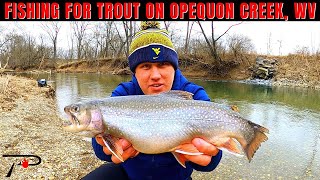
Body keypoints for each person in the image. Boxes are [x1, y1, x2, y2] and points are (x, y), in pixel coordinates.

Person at [83, 21, 222, 180]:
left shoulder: (194, 95)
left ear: (174, 67)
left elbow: (212, 161)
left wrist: (208, 157)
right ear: (135, 71)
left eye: (162, 64)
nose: (155, 75)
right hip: (130, 176)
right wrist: (106, 147)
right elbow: (101, 150)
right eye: (146, 66)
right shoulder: (124, 94)